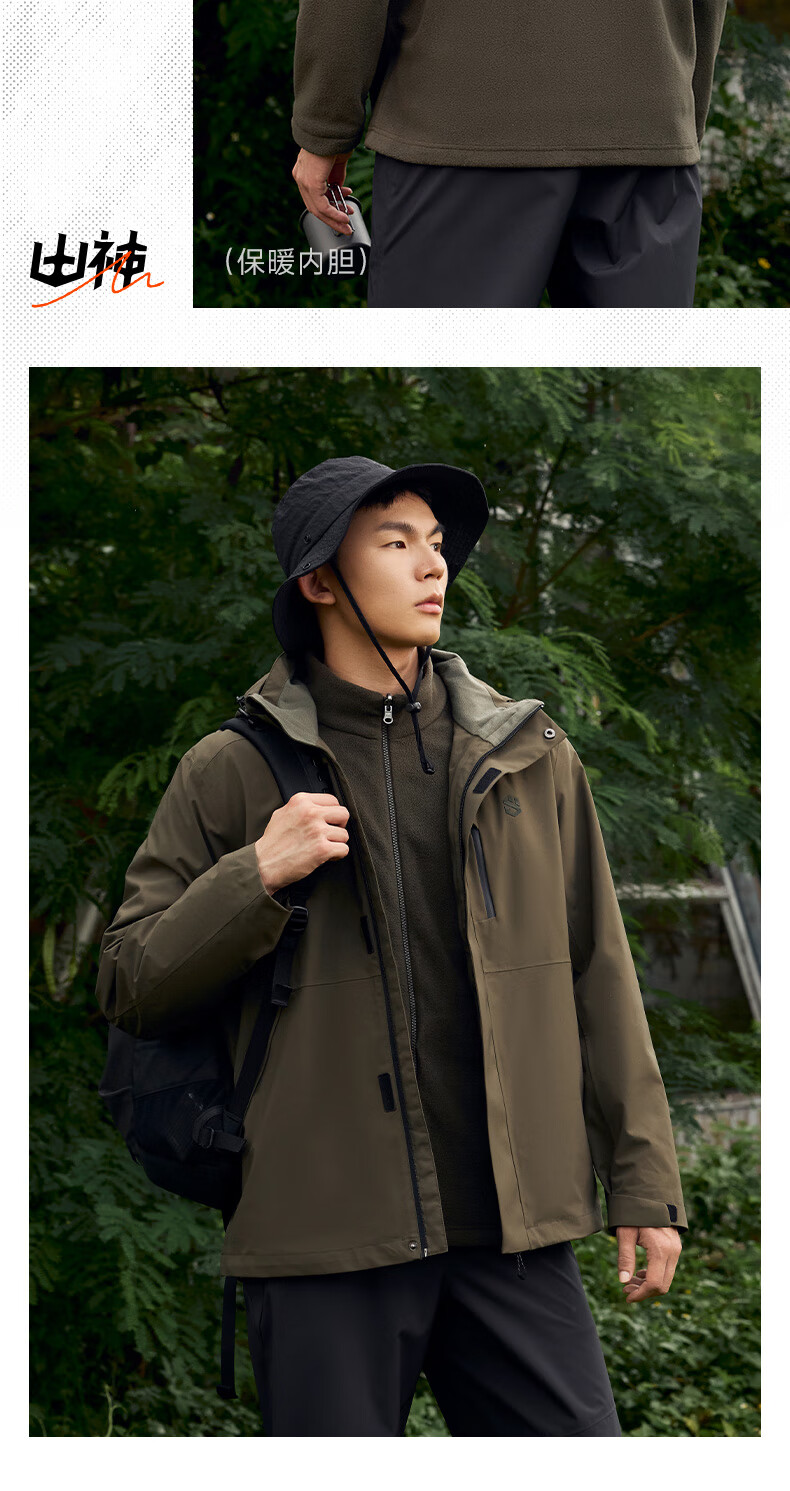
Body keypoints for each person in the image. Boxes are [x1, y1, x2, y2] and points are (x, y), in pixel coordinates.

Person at [96, 456, 686, 1436]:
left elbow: (601, 976)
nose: (433, 564)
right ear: (320, 581)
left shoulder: (528, 755)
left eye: (438, 543)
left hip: (511, 1234)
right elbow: (130, 980)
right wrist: (256, 873)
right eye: (396, 541)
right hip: (324, 1235)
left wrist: (645, 1183)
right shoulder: (232, 769)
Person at [290, 1, 729, 308]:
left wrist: (325, 127)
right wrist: (680, 118)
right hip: (649, 129)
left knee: (444, 366)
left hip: (459, 133)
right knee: (639, 371)